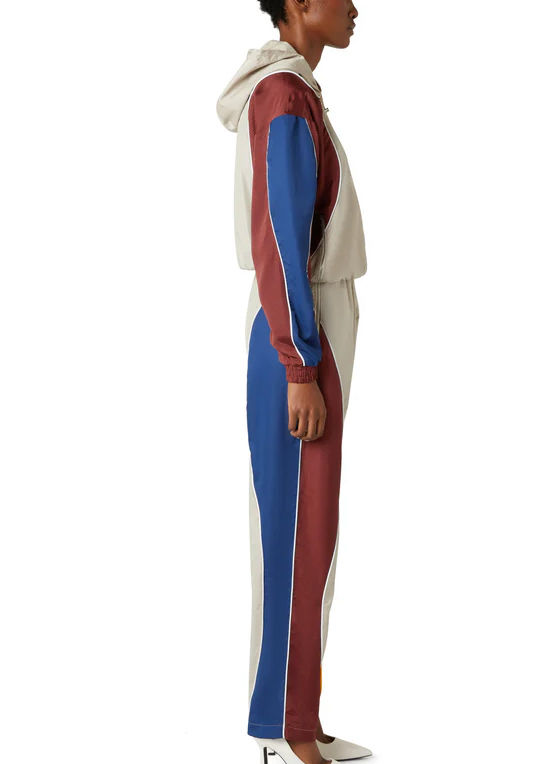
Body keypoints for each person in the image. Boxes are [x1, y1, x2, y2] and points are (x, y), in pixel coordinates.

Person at [216, 2, 371, 762]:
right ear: (302, 3)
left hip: (305, 335)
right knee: (292, 541)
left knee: (313, 537)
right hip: (296, 344)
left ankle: (298, 716)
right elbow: (280, 239)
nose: (356, 6)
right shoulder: (282, 97)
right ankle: (283, 727)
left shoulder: (296, 91)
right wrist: (299, 366)